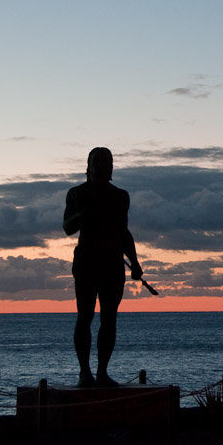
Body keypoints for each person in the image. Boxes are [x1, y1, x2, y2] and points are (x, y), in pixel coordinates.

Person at [63, 147, 143, 388]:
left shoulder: (120, 196)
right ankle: (84, 372)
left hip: (112, 264)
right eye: (97, 160)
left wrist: (135, 262)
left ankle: (102, 372)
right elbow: (67, 227)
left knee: (110, 319)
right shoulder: (77, 193)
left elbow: (123, 231)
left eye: (107, 160)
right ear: (89, 165)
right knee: (85, 316)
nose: (102, 164)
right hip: (87, 262)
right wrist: (82, 215)